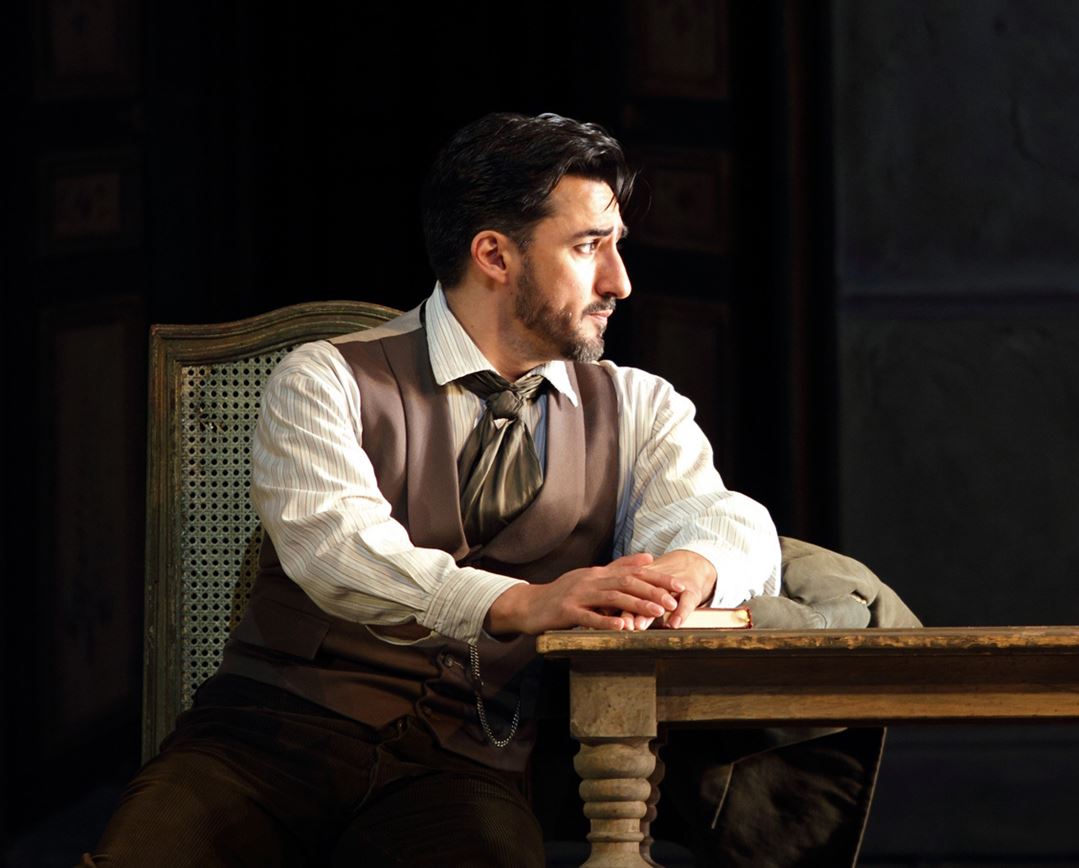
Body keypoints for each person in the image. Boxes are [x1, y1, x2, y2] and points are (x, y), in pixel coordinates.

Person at [83, 112, 785, 867]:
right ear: (495, 254)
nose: (620, 281)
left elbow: (725, 518)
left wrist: (690, 568)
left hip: (467, 762)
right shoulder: (325, 377)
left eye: (616, 246)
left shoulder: (638, 405)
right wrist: (520, 603)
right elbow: (335, 547)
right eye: (588, 247)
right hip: (268, 740)